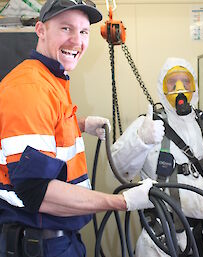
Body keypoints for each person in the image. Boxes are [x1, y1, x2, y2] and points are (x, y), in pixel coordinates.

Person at [0, 1, 154, 256]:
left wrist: (78, 124)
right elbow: (37, 191)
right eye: (65, 29)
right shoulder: (29, 88)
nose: (76, 41)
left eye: (83, 32)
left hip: (58, 239)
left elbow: (43, 126)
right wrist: (121, 202)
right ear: (40, 30)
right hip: (42, 244)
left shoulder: (50, 78)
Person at [111, 57, 203, 257]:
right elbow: (118, 171)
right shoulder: (146, 126)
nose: (180, 88)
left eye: (186, 82)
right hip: (162, 241)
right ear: (162, 87)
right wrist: (140, 141)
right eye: (172, 82)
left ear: (194, 86)